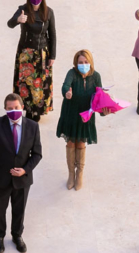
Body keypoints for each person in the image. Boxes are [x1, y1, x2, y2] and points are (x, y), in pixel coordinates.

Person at [0, 94, 43, 253]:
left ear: (22, 108)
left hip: (22, 178)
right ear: (5, 110)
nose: (13, 111)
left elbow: (37, 154)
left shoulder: (33, 126)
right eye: (9, 109)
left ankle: (17, 235)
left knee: (19, 209)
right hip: (0, 176)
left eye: (16, 108)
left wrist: (25, 170)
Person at [56, 49, 111, 191]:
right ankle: (70, 174)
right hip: (70, 114)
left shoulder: (96, 76)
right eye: (80, 62)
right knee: (70, 143)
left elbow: (99, 97)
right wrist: (67, 92)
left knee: (80, 143)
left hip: (86, 116)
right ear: (76, 63)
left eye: (86, 62)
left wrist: (104, 112)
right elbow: (65, 85)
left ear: (90, 62)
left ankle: (79, 174)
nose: (83, 64)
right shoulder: (72, 73)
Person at [7, 0, 57, 123]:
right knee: (26, 83)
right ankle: (28, 109)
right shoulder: (23, 10)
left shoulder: (49, 12)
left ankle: (38, 110)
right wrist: (18, 20)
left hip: (42, 53)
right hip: (26, 53)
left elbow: (52, 35)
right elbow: (9, 24)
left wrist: (52, 55)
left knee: (40, 83)